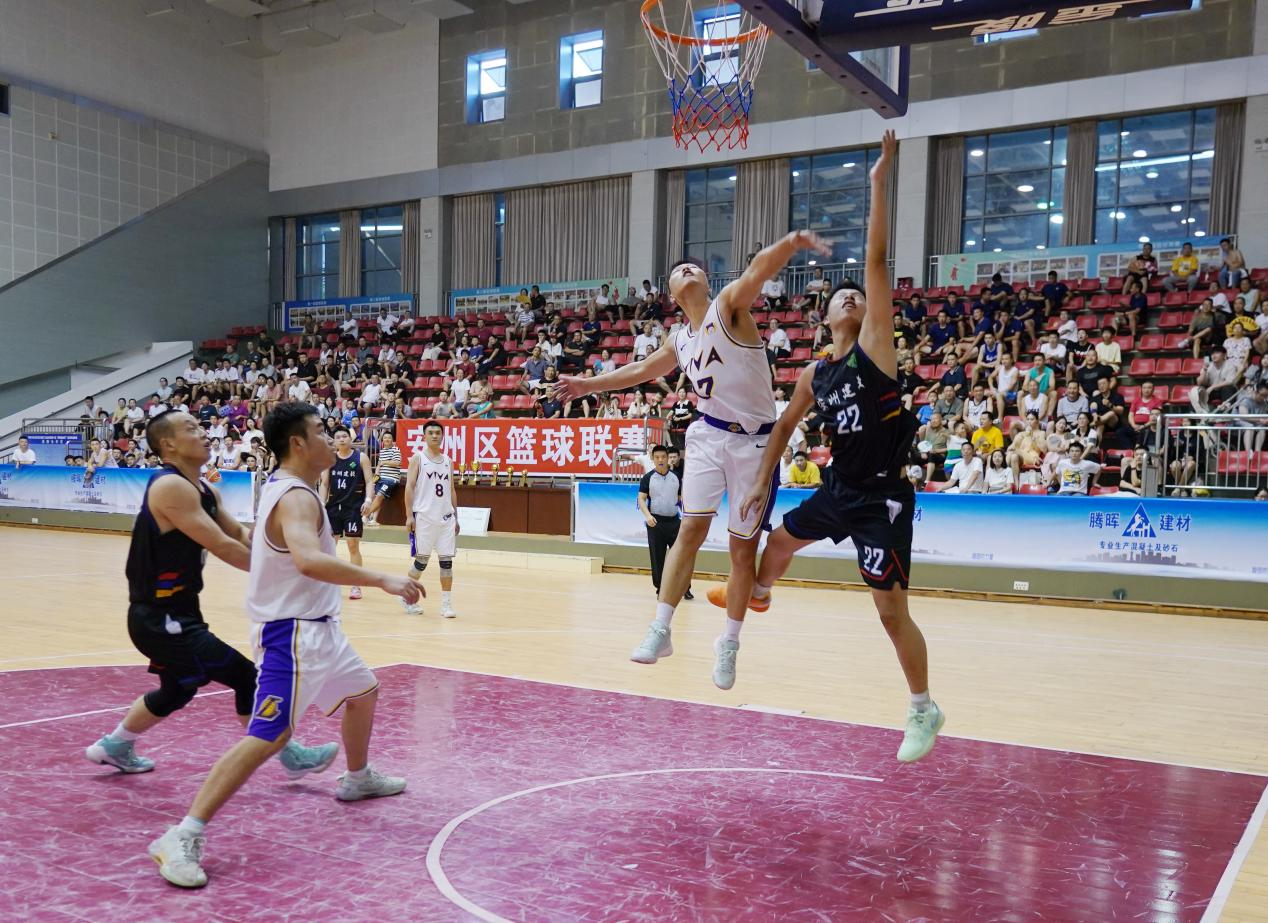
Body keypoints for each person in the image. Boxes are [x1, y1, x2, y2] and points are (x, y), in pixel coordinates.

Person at [719, 131, 943, 763]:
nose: (852, 296)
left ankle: (923, 708)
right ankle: (761, 593)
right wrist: (760, 480)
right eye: (842, 296)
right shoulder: (817, 374)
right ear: (825, 317)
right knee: (776, 544)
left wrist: (878, 180)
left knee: (890, 613)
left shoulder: (876, 348)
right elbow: (783, 427)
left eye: (859, 296)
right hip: (838, 489)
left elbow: (876, 260)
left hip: (882, 500)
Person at [146, 404, 421, 889]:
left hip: (318, 627)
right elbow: (308, 560)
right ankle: (182, 835)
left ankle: (357, 777)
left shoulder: (285, 487)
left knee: (363, 692)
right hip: (290, 636)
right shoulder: (296, 497)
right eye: (320, 432)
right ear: (298, 443)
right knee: (269, 735)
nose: (330, 439)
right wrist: (382, 578)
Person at [554, 232, 833, 692]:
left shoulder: (729, 309)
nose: (685, 268)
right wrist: (587, 385)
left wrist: (791, 243)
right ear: (671, 295)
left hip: (755, 444)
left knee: (741, 550)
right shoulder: (679, 338)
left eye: (693, 267)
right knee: (690, 530)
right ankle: (661, 628)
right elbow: (640, 371)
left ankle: (729, 642)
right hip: (707, 435)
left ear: (706, 282)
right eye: (678, 269)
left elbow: (758, 271)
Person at [84, 409, 337, 783]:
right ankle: (289, 754)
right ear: (168, 444)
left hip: (180, 611)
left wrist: (283, 553)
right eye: (191, 429)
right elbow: (221, 545)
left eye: (201, 427)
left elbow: (239, 535)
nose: (203, 433)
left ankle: (115, 745)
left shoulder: (206, 490)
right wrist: (284, 574)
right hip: (158, 617)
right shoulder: (169, 486)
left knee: (178, 689)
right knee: (247, 677)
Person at [401, 420, 459, 618]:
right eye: (431, 433)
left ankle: (446, 605)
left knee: (447, 562)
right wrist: (409, 515)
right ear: (424, 436)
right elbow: (409, 487)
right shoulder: (418, 458)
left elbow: (452, 489)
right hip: (424, 517)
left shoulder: (448, 461)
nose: (435, 435)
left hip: (446, 518)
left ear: (442, 436)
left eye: (438, 432)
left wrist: (456, 516)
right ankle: (406, 596)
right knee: (421, 562)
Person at [318, 426, 375, 601]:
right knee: (329, 546)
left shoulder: (361, 457)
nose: (342, 439)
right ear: (334, 441)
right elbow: (324, 483)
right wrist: (321, 503)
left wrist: (368, 501)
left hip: (353, 508)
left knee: (353, 546)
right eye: (338, 437)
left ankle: (356, 585)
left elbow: (369, 481)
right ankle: (326, 584)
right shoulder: (329, 458)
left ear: (350, 439)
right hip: (333, 508)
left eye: (345, 436)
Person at [638, 444, 692, 600]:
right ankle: (660, 588)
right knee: (657, 558)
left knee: (681, 557)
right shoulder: (648, 478)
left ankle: (684, 588)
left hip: (674, 522)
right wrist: (648, 516)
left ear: (668, 458)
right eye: (657, 457)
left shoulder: (676, 477)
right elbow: (641, 499)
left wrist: (687, 516)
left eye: (663, 457)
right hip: (655, 523)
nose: (660, 460)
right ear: (652, 459)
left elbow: (681, 499)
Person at [363, 430, 403, 527]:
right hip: (381, 478)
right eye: (385, 438)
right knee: (377, 498)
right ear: (382, 440)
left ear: (392, 440)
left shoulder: (396, 450)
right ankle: (374, 520)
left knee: (379, 496)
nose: (387, 439)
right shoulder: (382, 451)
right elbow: (378, 466)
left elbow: (397, 463)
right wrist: (375, 480)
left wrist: (384, 462)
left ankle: (365, 516)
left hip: (391, 479)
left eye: (389, 438)